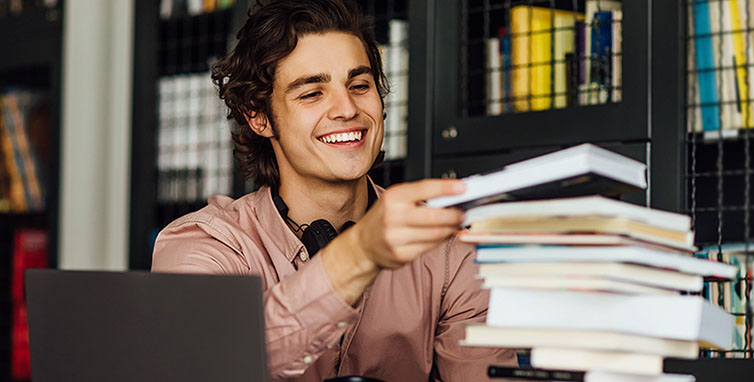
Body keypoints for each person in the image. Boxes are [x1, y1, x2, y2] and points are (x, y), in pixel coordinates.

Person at [151, 0, 516, 380]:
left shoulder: (450, 254)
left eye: (359, 85)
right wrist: (359, 254)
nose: (347, 109)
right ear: (258, 117)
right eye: (312, 93)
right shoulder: (202, 246)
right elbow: (208, 365)